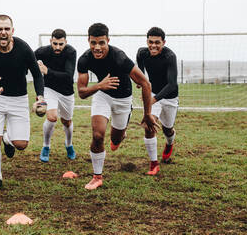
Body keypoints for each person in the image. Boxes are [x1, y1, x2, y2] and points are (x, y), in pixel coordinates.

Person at [77, 23, 157, 190]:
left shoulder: (119, 57)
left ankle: (121, 135)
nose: (97, 47)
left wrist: (148, 113)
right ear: (88, 41)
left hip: (123, 100)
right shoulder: (84, 59)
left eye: (101, 43)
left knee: (115, 139)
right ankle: (97, 177)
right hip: (102, 96)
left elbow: (145, 83)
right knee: (98, 135)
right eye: (93, 43)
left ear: (108, 40)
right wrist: (99, 86)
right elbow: (82, 92)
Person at [0, 14, 45, 190]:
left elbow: (37, 75)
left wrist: (41, 97)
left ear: (12, 31)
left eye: (7, 29)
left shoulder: (23, 49)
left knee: (21, 145)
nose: (3, 32)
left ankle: (8, 138)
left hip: (19, 100)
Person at [136, 27, 179, 175]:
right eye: (150, 42)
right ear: (147, 41)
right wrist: (140, 81)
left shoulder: (170, 56)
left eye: (157, 42)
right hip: (153, 93)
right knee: (149, 125)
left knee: (167, 129)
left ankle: (169, 143)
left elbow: (172, 84)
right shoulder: (142, 53)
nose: (153, 45)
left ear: (163, 42)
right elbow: (140, 70)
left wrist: (153, 99)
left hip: (170, 96)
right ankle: (154, 164)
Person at [35, 29, 77, 162]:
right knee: (52, 117)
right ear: (50, 41)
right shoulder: (42, 52)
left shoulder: (71, 52)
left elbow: (68, 76)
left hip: (66, 92)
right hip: (49, 89)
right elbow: (29, 59)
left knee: (67, 121)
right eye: (55, 44)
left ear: (65, 42)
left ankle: (68, 144)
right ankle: (46, 146)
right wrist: (35, 65)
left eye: (61, 44)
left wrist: (47, 71)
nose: (57, 47)